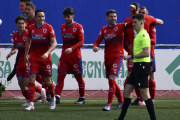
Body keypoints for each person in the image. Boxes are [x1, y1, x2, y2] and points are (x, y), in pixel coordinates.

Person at [117, 13, 156, 120]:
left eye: (135, 22)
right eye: (132, 22)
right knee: (127, 91)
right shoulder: (138, 34)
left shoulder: (143, 35)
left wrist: (131, 56)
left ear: (142, 22)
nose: (133, 24)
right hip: (137, 66)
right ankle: (121, 118)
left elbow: (146, 53)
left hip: (142, 66)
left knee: (145, 95)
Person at [93, 9, 133, 111]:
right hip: (107, 58)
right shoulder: (104, 29)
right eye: (111, 16)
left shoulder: (121, 26)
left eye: (115, 16)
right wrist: (95, 47)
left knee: (112, 79)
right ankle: (121, 101)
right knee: (112, 82)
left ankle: (109, 104)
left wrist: (135, 12)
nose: (113, 18)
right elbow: (97, 42)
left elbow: (131, 23)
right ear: (107, 18)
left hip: (117, 56)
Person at [124, 3, 163, 106]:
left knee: (150, 76)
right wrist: (128, 46)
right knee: (131, 76)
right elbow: (126, 37)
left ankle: (150, 99)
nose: (141, 14)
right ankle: (139, 99)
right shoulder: (131, 21)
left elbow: (154, 39)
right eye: (140, 12)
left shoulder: (149, 21)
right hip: (134, 54)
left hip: (148, 54)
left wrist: (144, 41)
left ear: (147, 14)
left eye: (143, 13)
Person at [24, 9, 57, 110]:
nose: (41, 18)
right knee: (31, 78)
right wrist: (26, 54)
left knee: (47, 82)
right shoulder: (31, 28)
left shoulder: (48, 28)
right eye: (39, 16)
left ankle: (53, 99)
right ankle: (31, 104)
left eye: (43, 16)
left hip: (45, 59)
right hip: (34, 58)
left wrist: (47, 53)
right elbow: (28, 42)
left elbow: (54, 43)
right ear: (36, 17)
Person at [55, 7, 85, 104]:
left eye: (68, 17)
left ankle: (82, 98)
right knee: (60, 76)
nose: (66, 19)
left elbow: (81, 42)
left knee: (79, 78)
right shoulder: (62, 27)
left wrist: (72, 48)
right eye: (65, 17)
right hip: (64, 57)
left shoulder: (79, 27)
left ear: (73, 16)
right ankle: (57, 97)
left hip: (75, 57)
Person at [25, 1, 48, 103]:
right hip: (30, 53)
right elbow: (28, 39)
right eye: (25, 9)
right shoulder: (26, 21)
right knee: (28, 77)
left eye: (28, 9)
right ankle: (35, 97)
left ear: (33, 10)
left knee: (31, 77)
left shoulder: (38, 21)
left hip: (40, 53)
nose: (26, 11)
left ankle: (45, 90)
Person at [6, 16, 29, 106]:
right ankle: (28, 100)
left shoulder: (28, 34)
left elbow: (33, 47)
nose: (21, 25)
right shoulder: (15, 35)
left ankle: (40, 91)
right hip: (20, 58)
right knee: (20, 81)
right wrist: (11, 53)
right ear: (16, 25)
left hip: (28, 58)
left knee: (27, 82)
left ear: (25, 24)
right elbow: (15, 47)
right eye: (19, 23)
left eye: (23, 23)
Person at [7, 0, 30, 82]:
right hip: (22, 51)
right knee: (23, 78)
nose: (20, 7)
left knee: (33, 74)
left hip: (31, 51)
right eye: (20, 5)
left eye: (22, 6)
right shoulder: (22, 16)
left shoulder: (31, 17)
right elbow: (15, 45)